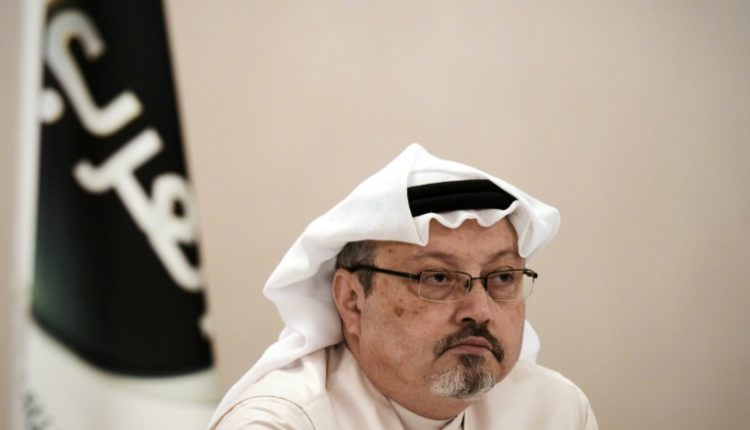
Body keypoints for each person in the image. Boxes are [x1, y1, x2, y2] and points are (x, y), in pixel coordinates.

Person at [209, 144, 598, 429]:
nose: (480, 311)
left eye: (502, 278)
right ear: (352, 301)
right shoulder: (278, 424)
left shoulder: (557, 412)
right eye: (438, 278)